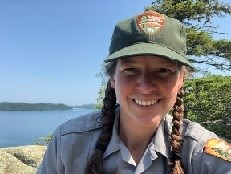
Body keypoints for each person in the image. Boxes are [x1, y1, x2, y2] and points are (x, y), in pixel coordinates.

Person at [37, 10, 231, 174]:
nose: (146, 87)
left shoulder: (201, 154)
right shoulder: (67, 144)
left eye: (163, 71)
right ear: (112, 78)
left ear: (181, 79)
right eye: (131, 70)